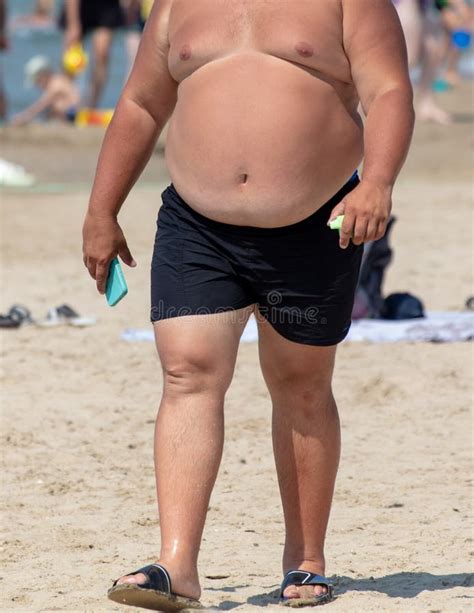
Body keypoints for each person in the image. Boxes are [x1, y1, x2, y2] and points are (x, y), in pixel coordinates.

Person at [82, 0, 414, 609]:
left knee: (301, 384)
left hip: (315, 221)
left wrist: (378, 181)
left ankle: (306, 561)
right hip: (196, 223)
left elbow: (389, 90)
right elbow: (141, 104)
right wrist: (102, 210)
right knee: (187, 373)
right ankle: (176, 563)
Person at [60, 0, 124, 108]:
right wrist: (73, 24)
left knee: (102, 53)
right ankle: (66, 101)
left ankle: (91, 105)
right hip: (80, 5)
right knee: (70, 56)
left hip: (106, 6)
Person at [11, 56, 80, 126]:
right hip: (73, 115)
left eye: (37, 81)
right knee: (51, 111)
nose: (37, 86)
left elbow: (41, 105)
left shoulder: (56, 84)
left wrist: (23, 117)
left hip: (74, 116)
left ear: (43, 75)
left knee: (55, 109)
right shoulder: (59, 80)